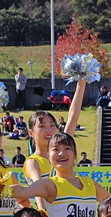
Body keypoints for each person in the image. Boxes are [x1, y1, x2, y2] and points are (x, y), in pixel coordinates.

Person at [23, 77, 86, 209]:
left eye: (52, 125)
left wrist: (81, 84)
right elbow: (38, 188)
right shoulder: (32, 162)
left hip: (70, 212)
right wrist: (43, 213)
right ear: (31, 133)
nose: (48, 130)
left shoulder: (62, 150)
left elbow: (73, 117)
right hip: (51, 216)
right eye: (42, 126)